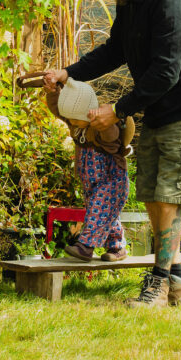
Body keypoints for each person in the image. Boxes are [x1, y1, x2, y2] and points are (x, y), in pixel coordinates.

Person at [44, 0, 181, 308]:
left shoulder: (168, 2)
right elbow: (115, 51)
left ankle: (158, 286)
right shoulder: (129, 1)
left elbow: (165, 74)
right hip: (160, 109)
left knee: (169, 198)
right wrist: (68, 72)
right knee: (153, 197)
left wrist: (118, 109)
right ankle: (175, 284)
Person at [44, 78, 130, 262]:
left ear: (88, 113)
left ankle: (85, 247)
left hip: (112, 180)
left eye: (76, 118)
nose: (72, 122)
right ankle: (117, 247)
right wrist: (53, 93)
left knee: (98, 210)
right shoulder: (76, 125)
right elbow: (58, 110)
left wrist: (104, 121)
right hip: (90, 182)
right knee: (103, 213)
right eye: (71, 119)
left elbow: (113, 135)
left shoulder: (101, 128)